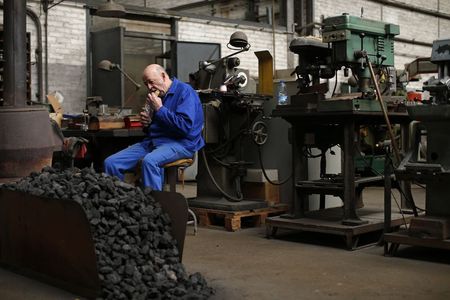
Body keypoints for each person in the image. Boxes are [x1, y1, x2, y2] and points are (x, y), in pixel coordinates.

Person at [104, 64, 205, 190]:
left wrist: (160, 109)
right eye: (146, 84)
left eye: (151, 82)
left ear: (163, 76)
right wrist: (148, 123)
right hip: (155, 142)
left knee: (150, 162)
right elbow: (154, 128)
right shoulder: (156, 96)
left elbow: (184, 127)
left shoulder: (185, 92)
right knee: (111, 163)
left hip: (182, 143)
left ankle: (154, 207)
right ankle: (118, 203)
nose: (150, 88)